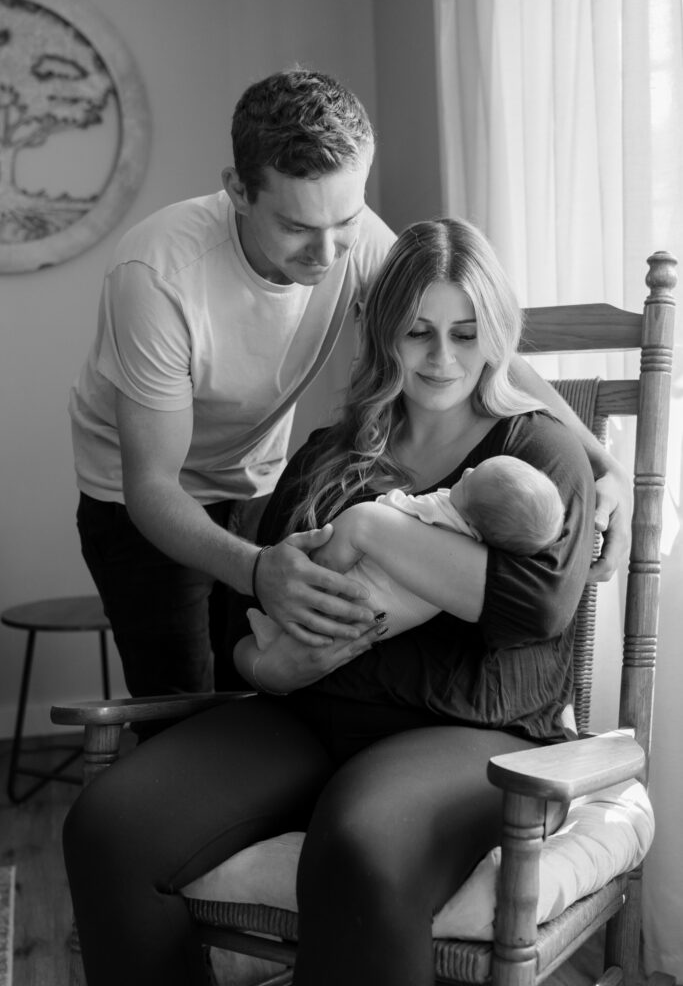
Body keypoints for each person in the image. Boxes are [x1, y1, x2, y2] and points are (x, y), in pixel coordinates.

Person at [64, 218, 598, 986]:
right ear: (385, 336)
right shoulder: (329, 451)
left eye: (464, 332)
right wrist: (275, 666)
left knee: (359, 848)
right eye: (417, 333)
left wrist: (370, 527)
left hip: (466, 734)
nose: (441, 358)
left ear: (495, 336)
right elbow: (236, 638)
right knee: (111, 827)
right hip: (302, 713)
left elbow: (534, 607)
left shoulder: (534, 451)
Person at [69, 66, 629, 704]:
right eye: (297, 228)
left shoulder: (349, 236)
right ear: (238, 191)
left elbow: (482, 351)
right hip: (143, 500)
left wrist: (603, 459)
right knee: (179, 711)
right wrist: (255, 569)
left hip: (253, 478)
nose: (328, 252)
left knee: (251, 694)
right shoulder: (158, 275)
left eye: (346, 221)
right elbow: (151, 486)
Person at [243, 454, 565, 692]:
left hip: (363, 592)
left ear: (475, 524)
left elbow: (392, 507)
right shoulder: (476, 542)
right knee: (332, 630)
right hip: (380, 622)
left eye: (469, 480)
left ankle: (273, 631)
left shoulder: (441, 513)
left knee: (326, 599)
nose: (465, 470)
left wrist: (380, 511)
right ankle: (274, 639)